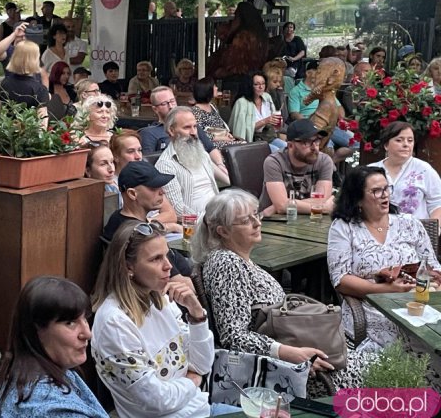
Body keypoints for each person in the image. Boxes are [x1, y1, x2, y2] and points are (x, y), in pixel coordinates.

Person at [193, 190, 372, 397]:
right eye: (245, 220)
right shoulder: (226, 263)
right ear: (222, 231)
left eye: (255, 214)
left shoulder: (239, 260)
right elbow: (234, 337)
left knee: (385, 364)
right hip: (286, 371)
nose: (257, 223)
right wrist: (289, 354)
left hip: (296, 357)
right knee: (385, 372)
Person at [91, 220, 240, 418]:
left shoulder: (161, 298)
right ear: (128, 267)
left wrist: (196, 313)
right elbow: (157, 401)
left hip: (202, 409)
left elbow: (203, 364)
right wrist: (192, 381)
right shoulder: (114, 323)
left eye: (167, 255)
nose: (168, 266)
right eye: (155, 259)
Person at [328, 166, 441, 351]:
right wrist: (382, 289)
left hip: (418, 304)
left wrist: (430, 286)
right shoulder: (343, 228)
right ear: (357, 199)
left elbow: (433, 269)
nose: (385, 195)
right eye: (376, 191)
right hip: (372, 309)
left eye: (386, 188)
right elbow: (340, 280)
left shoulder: (409, 223)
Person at [0, 276, 107, 418]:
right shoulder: (50, 409)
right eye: (70, 323)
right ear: (37, 330)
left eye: (85, 318)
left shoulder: (24, 373)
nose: (87, 333)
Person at [103, 160, 186, 263]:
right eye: (153, 187)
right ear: (132, 194)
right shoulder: (136, 234)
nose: (162, 191)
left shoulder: (118, 219)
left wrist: (172, 227)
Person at [140, 87, 230, 180]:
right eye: (164, 104)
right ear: (155, 109)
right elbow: (148, 165)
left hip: (202, 172)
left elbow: (210, 148)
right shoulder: (149, 133)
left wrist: (220, 164)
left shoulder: (192, 126)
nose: (171, 106)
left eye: (172, 101)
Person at [155, 107, 223, 216]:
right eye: (187, 127)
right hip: (196, 223)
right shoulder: (166, 165)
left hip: (218, 213)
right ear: (171, 131)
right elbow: (176, 209)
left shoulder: (203, 154)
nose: (193, 132)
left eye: (195, 127)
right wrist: (206, 221)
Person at [369, 121, 441, 222]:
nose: (406, 144)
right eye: (399, 140)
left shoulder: (424, 169)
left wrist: (433, 231)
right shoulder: (370, 171)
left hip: (415, 234)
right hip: (377, 232)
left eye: (410, 140)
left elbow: (437, 203)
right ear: (386, 145)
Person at [259, 119, 334, 215]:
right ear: (290, 145)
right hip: (273, 221)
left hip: (307, 220)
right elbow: (282, 207)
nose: (314, 147)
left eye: (317, 140)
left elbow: (323, 199)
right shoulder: (274, 162)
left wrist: (278, 206)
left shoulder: (324, 161)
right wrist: (322, 208)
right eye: (307, 142)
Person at [109, 131, 179, 225]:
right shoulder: (111, 185)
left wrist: (149, 223)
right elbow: (124, 223)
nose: (138, 157)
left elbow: (171, 215)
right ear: (115, 157)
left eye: (139, 150)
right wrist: (147, 225)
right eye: (131, 151)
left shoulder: (147, 172)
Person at [228, 71, 286, 152]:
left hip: (268, 137)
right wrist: (265, 121)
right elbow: (241, 130)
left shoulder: (267, 97)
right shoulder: (241, 102)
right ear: (250, 86)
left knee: (287, 148)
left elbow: (274, 119)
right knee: (277, 152)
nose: (261, 87)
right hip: (252, 140)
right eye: (257, 84)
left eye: (263, 83)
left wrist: (277, 123)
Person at [191, 77, 243, 149]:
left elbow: (219, 125)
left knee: (244, 144)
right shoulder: (196, 111)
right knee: (240, 147)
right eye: (214, 86)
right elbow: (199, 134)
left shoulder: (212, 105)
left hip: (222, 139)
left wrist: (226, 134)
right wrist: (221, 138)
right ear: (207, 90)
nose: (216, 88)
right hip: (209, 144)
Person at [0, 40, 50, 111]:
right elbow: (43, 121)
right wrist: (46, 96)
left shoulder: (4, 83)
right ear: (35, 60)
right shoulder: (39, 90)